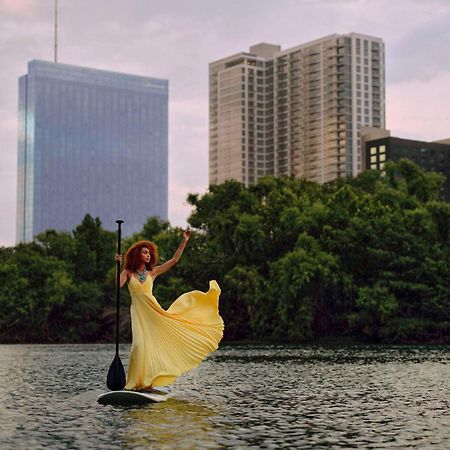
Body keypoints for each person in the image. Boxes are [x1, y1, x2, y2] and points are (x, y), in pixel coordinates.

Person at [115, 230, 224, 391]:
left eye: (149, 253)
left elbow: (174, 260)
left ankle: (147, 383)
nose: (148, 255)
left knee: (151, 347)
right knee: (138, 346)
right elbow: (118, 285)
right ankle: (134, 383)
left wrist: (184, 241)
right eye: (145, 252)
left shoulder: (152, 272)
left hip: (154, 312)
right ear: (137, 254)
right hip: (139, 313)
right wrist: (117, 265)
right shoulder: (128, 273)